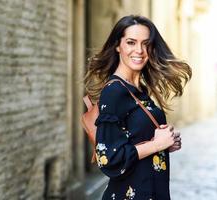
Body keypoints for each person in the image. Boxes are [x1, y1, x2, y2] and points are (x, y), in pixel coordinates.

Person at [84, 15, 192, 200]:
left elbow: (133, 141)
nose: (139, 50)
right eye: (131, 42)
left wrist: (166, 143)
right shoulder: (114, 92)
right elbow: (108, 159)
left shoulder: (136, 90)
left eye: (146, 43)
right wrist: (157, 144)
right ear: (118, 46)